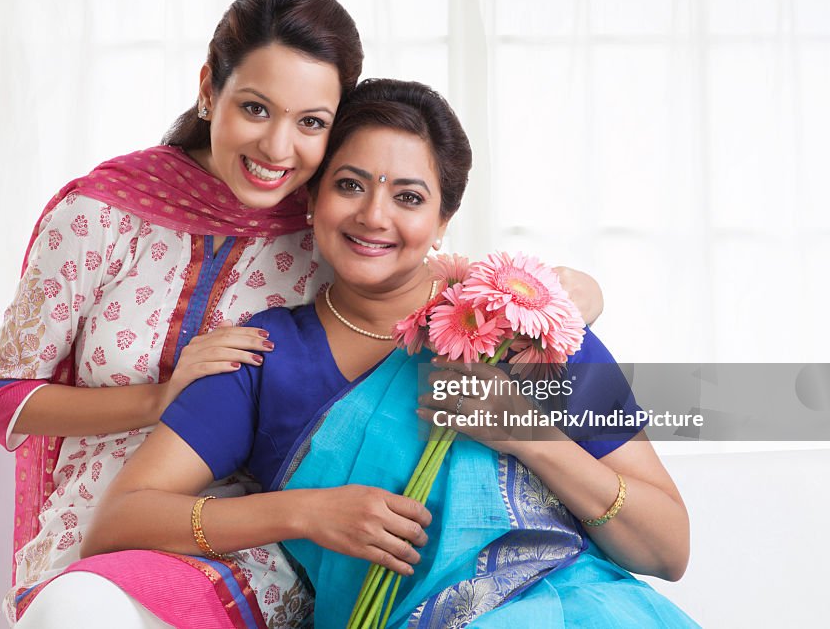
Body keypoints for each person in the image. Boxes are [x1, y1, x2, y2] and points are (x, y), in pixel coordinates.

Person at [0, 0, 603, 625]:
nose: (277, 149)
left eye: (310, 124)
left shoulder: (328, 231)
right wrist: (160, 398)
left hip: (270, 548)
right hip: (108, 518)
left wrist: (574, 294)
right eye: (254, 108)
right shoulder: (98, 217)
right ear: (207, 89)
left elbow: (440, 264)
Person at [49, 79, 698, 628]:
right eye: (350, 185)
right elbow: (122, 519)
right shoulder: (264, 356)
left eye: (409, 197)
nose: (374, 216)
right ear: (312, 197)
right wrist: (304, 513)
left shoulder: (521, 326)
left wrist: (528, 436)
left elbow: (668, 546)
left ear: (443, 218)